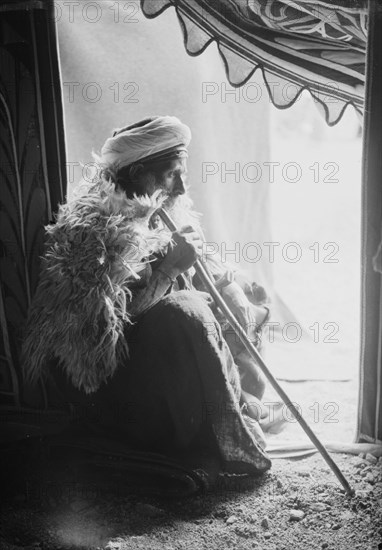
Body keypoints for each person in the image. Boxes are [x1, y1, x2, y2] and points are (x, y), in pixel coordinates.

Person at [22, 116, 273, 477]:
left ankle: (234, 407)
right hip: (119, 393)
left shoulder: (168, 211)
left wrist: (229, 287)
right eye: (172, 174)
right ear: (135, 173)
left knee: (245, 296)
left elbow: (210, 272)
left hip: (171, 372)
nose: (183, 187)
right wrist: (169, 271)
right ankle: (220, 424)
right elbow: (96, 342)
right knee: (184, 311)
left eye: (182, 172)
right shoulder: (91, 233)